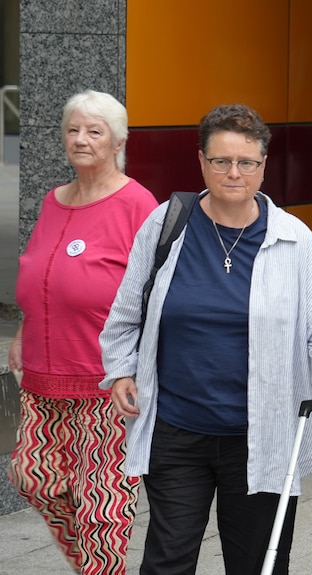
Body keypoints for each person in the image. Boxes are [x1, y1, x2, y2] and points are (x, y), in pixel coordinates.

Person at [98, 103, 312, 574]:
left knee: (258, 563)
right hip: (177, 429)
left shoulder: (295, 240)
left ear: (263, 166)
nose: (233, 172)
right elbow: (126, 312)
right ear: (201, 162)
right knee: (167, 559)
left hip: (261, 436)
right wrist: (120, 370)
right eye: (221, 161)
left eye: (246, 162)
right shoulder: (165, 225)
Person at [6, 89, 157, 574]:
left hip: (106, 381)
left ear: (118, 142)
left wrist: (139, 364)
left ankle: (99, 566)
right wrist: (21, 331)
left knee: (102, 505)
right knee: (33, 478)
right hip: (44, 375)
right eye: (73, 130)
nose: (81, 139)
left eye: (94, 131)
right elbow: (40, 276)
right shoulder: (54, 200)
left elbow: (155, 292)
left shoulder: (137, 204)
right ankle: (93, 565)